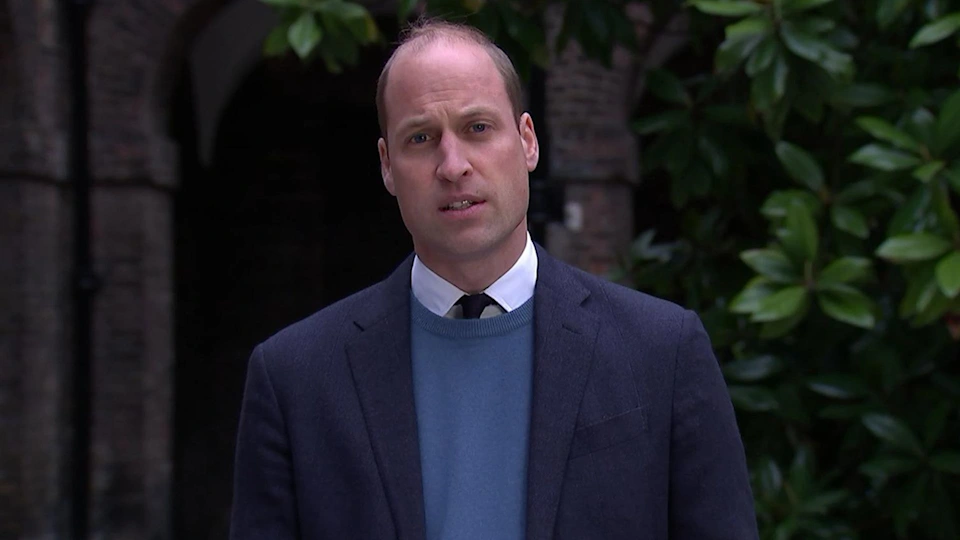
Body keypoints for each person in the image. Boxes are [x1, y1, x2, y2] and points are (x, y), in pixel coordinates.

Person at [230, 18, 758, 540]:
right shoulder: (294, 378)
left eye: (477, 128)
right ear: (387, 166)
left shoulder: (661, 351)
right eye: (421, 137)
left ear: (527, 141)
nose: (453, 165)